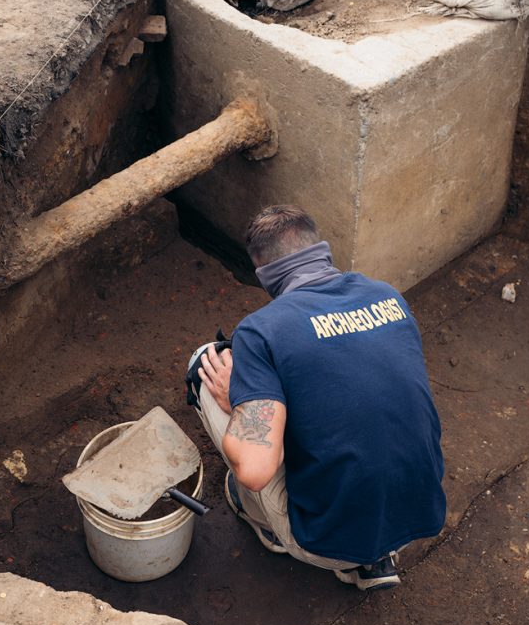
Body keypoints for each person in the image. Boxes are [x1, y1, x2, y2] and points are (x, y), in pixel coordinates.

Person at [188, 205, 445, 591]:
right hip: (419, 515)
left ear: (263, 274)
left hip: (328, 540)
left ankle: (268, 525)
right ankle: (378, 556)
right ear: (320, 249)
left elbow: (256, 469)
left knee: (206, 362)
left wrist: (238, 399)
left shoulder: (261, 331)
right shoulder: (387, 295)